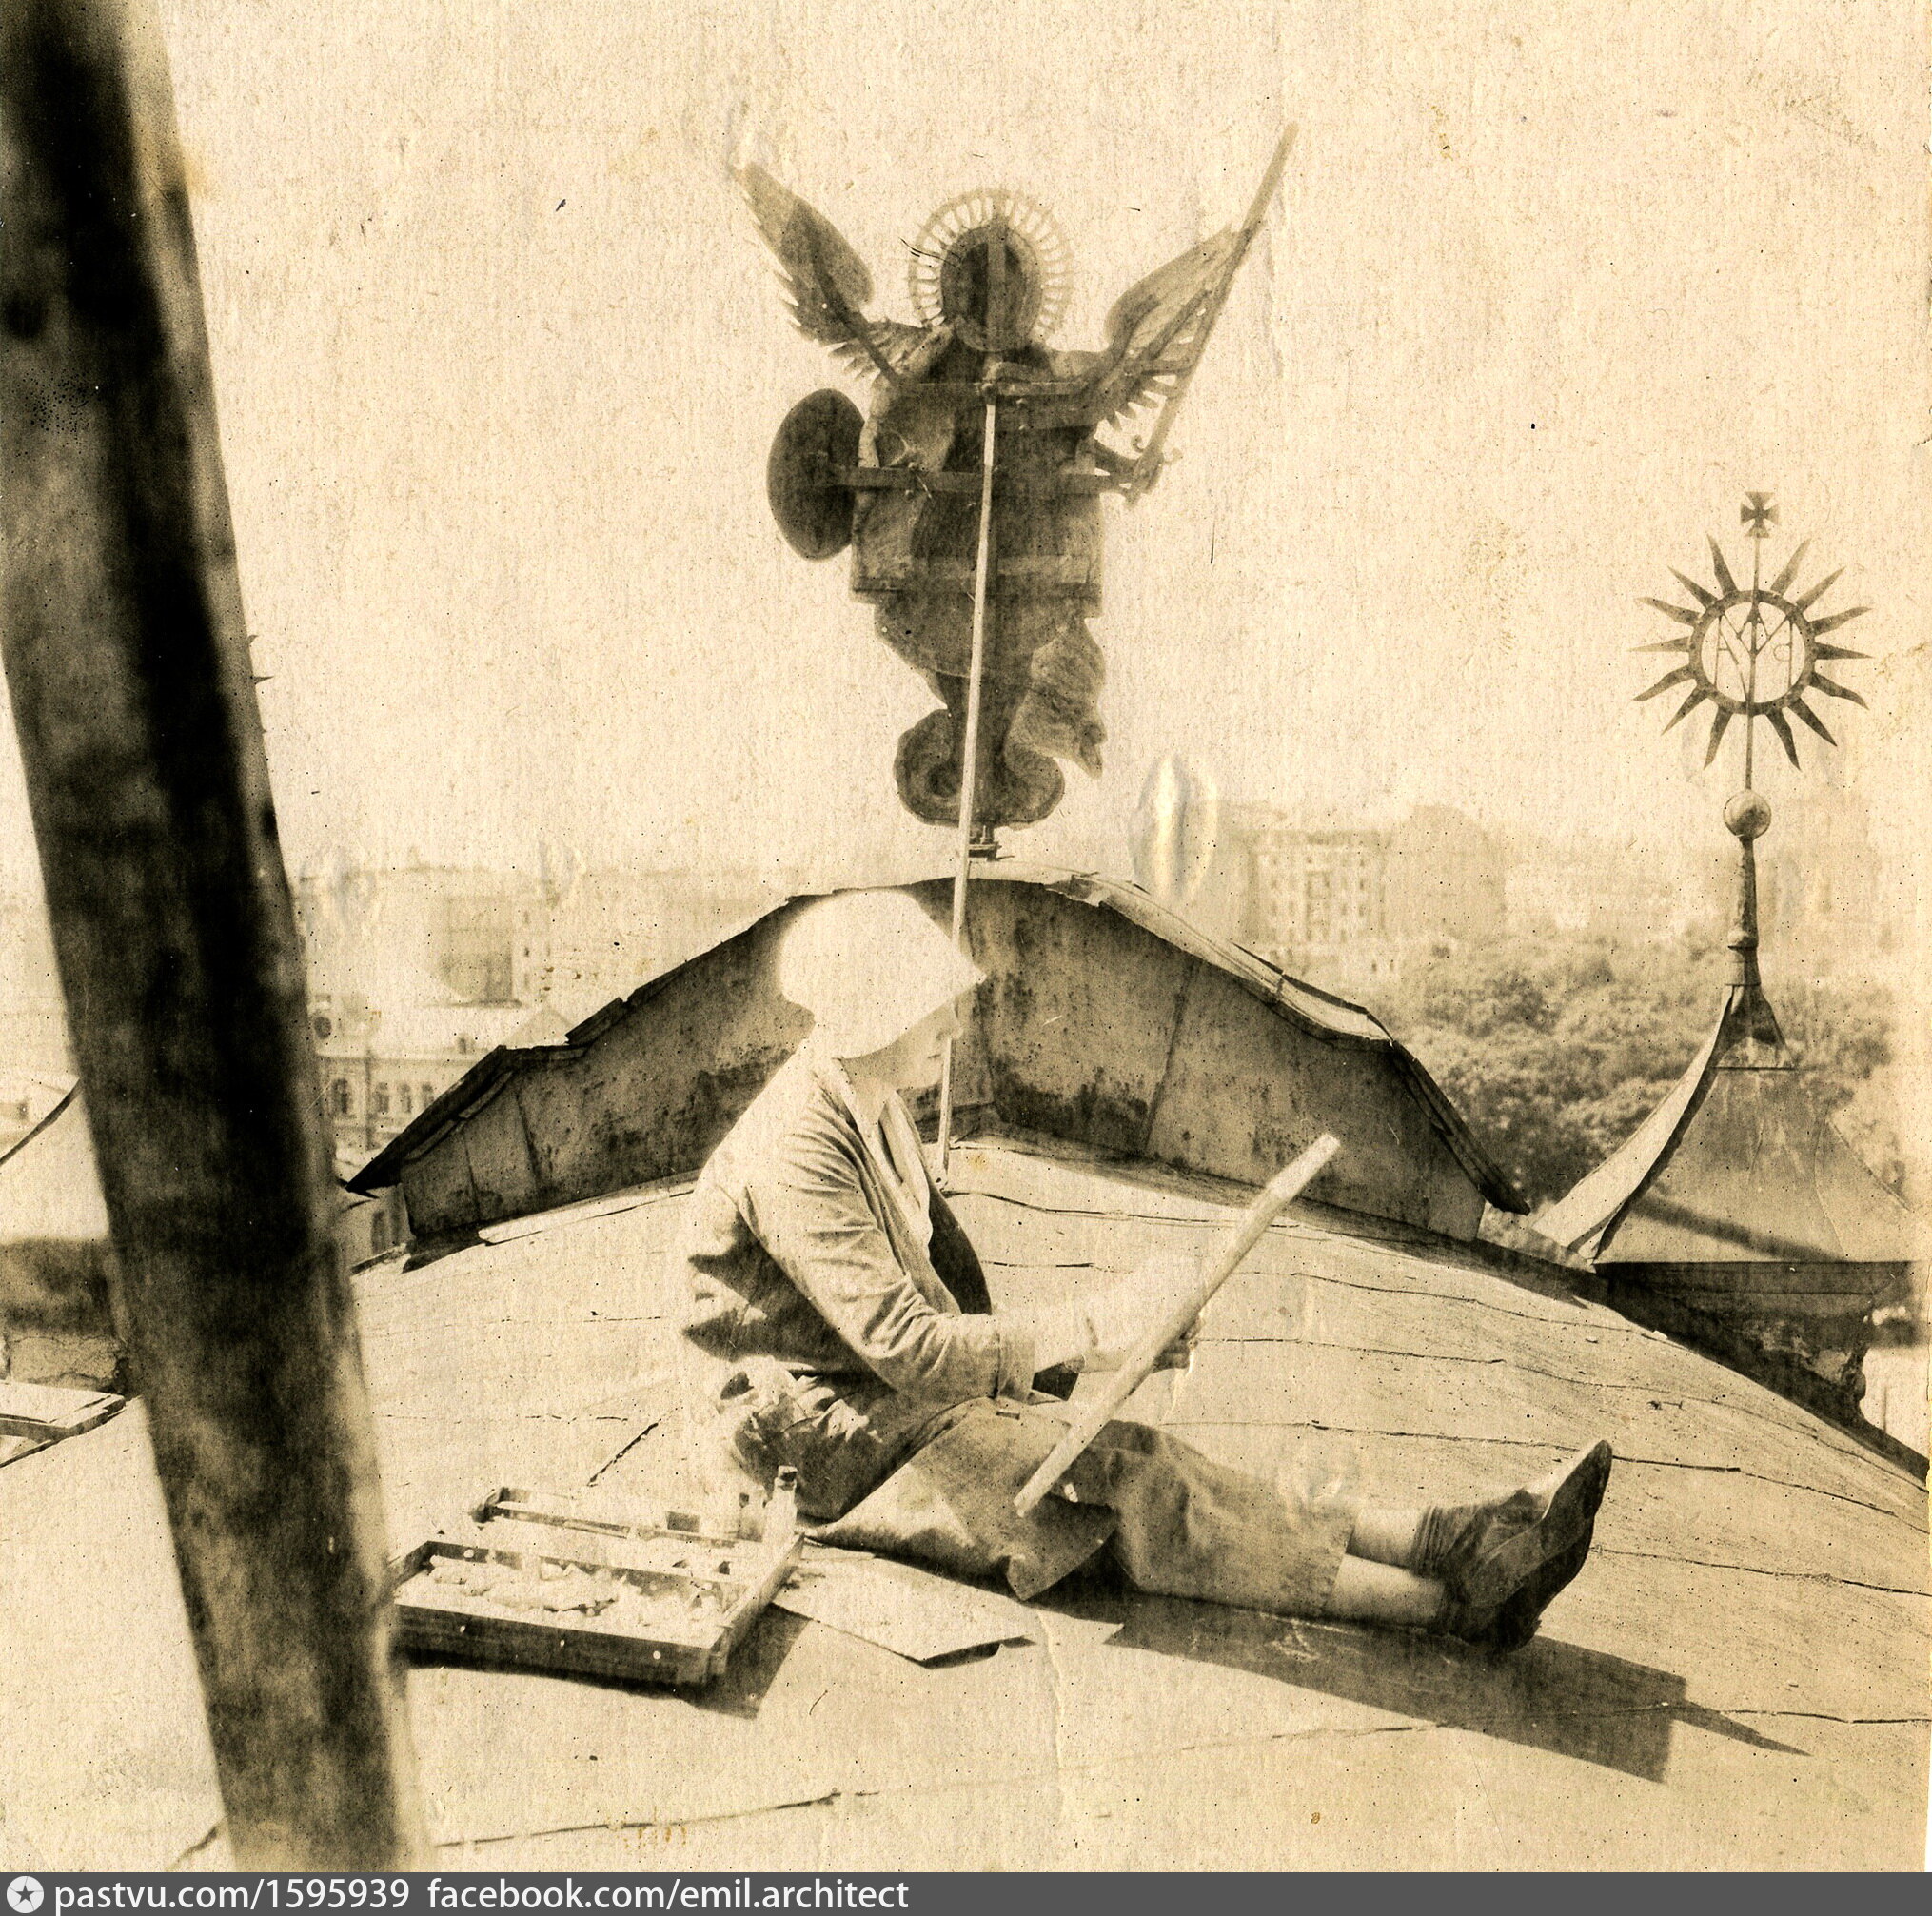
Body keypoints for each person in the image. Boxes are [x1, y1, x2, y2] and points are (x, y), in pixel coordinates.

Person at [678, 890, 1612, 1650]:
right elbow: (907, 1345)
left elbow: (926, 1313)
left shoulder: (868, 1095)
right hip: (804, 1446)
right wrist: (1098, 1324)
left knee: (1137, 1455)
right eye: (930, 1005)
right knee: (1123, 1486)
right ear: (870, 1016)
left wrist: (1099, 1354)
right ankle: (1455, 1604)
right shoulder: (796, 1146)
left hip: (861, 1398)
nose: (955, 1022)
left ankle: (1452, 1538)